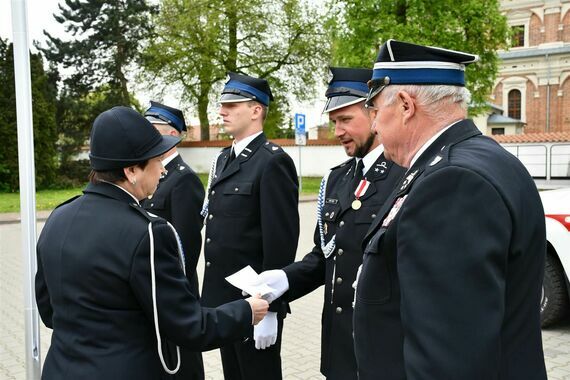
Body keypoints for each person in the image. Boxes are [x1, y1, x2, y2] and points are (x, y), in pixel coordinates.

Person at [353, 39, 547, 379]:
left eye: (376, 110)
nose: (374, 126)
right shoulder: (482, 158)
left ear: (405, 104)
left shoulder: (451, 183)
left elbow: (447, 361)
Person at [35, 106, 269, 380]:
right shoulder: (147, 232)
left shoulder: (58, 217)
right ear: (132, 170)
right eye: (156, 160)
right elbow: (188, 327)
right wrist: (245, 312)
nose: (162, 170)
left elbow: (49, 311)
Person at [253, 67, 404, 379]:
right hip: (338, 349)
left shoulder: (404, 176)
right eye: (334, 121)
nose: (337, 131)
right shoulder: (338, 179)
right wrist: (282, 281)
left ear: (374, 114)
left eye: (346, 119)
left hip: (384, 351)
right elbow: (325, 256)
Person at [200, 72, 300, 380]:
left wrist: (269, 307)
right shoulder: (224, 159)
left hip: (254, 304)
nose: (222, 111)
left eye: (232, 105)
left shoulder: (272, 162)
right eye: (222, 105)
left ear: (256, 110)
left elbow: (280, 244)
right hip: (225, 302)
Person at [142, 101, 206, 379]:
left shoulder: (184, 180)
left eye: (151, 130)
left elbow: (186, 250)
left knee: (183, 366)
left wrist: (172, 291)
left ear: (170, 134)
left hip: (174, 292)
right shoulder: (147, 174)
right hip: (152, 287)